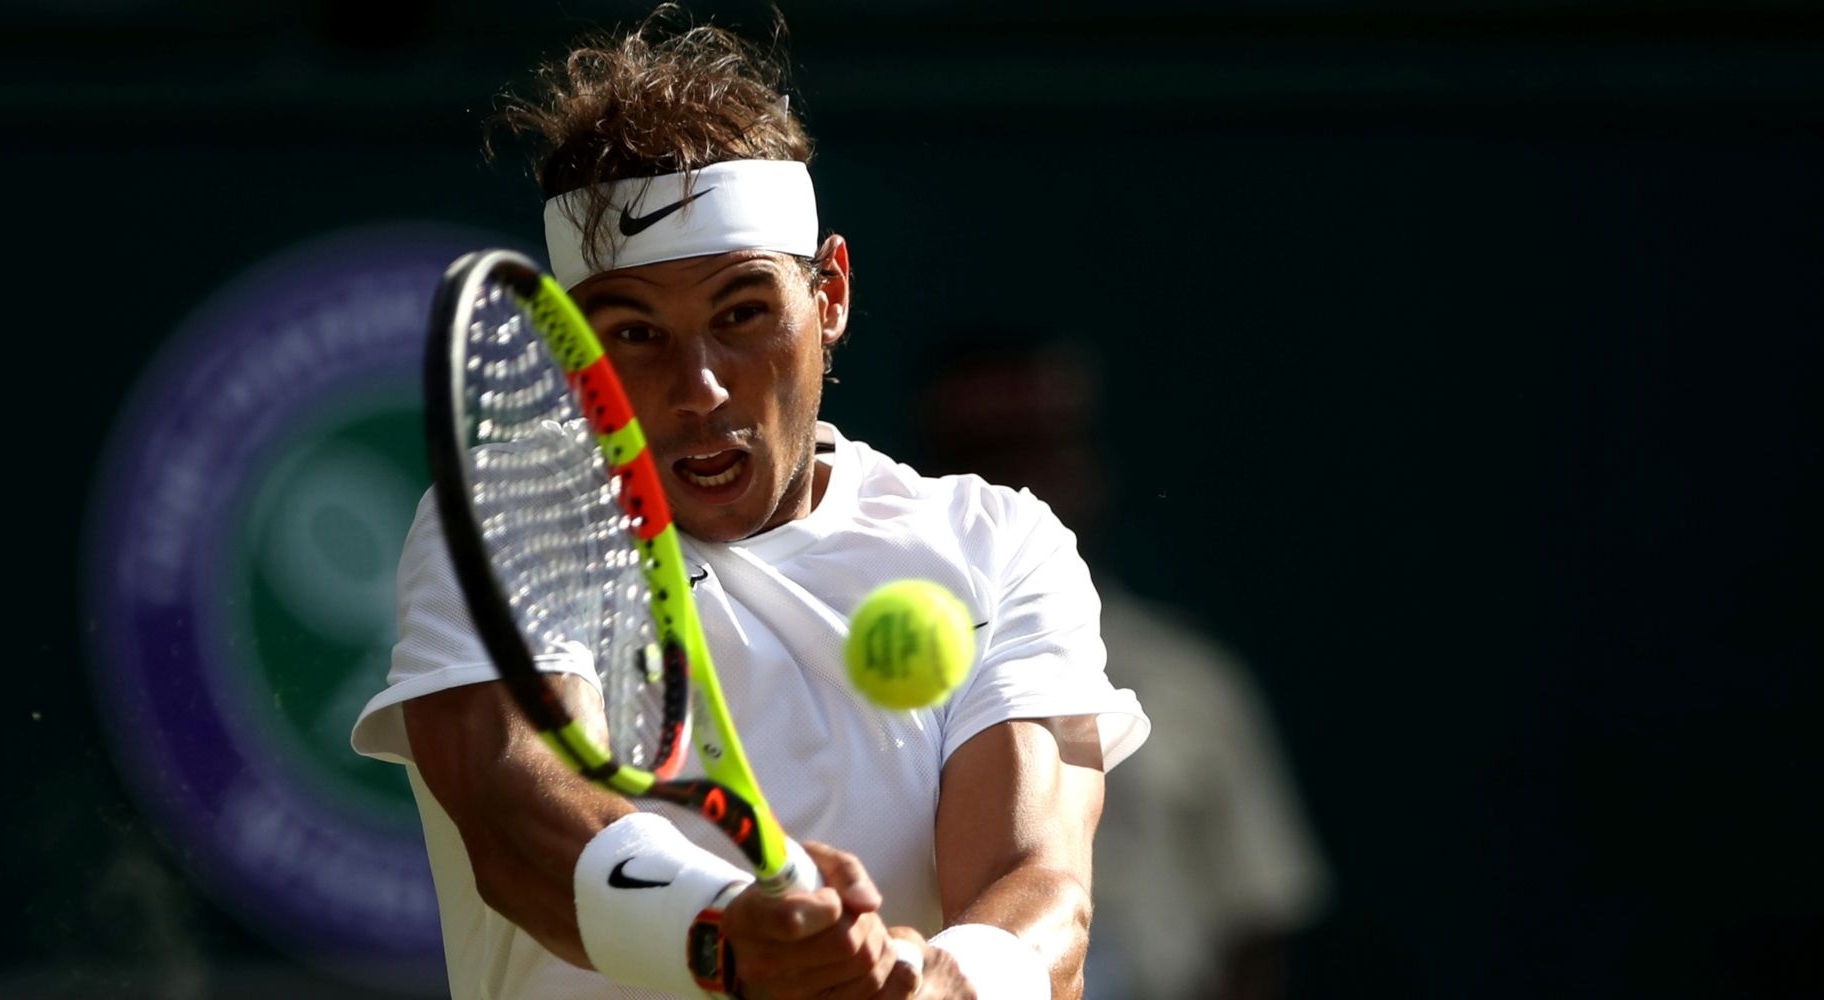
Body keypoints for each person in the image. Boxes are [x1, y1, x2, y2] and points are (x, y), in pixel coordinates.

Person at [350, 12, 1149, 1000]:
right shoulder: (511, 514)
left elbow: (1039, 888)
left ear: (831, 295)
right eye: (634, 334)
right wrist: (724, 937)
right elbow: (517, 816)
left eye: (742, 313)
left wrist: (940, 980)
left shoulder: (996, 542)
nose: (700, 388)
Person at [913, 342, 1329, 1000]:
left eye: (1045, 445)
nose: (1022, 482)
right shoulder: (868, 684)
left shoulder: (1191, 678)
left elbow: (1256, 923)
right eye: (987, 453)